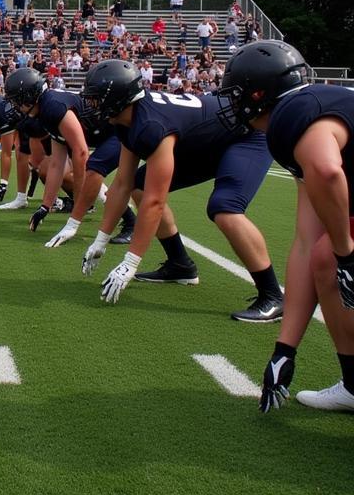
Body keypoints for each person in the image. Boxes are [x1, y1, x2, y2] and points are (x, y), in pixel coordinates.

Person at [79, 59, 283, 322]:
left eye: (97, 99)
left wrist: (131, 261)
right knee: (138, 187)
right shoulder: (127, 119)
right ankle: (180, 265)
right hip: (207, 142)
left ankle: (272, 295)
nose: (92, 105)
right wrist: (101, 238)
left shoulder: (151, 124)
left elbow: (155, 201)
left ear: (117, 98)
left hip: (245, 135)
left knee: (225, 208)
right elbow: (122, 183)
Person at [218, 41, 354, 412]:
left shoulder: (290, 114)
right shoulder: (312, 106)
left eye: (236, 92)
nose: (233, 102)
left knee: (332, 256)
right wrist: (284, 348)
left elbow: (327, 170)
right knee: (324, 258)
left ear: (258, 92)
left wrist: (347, 255)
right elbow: (307, 244)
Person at [3, 68, 135, 245]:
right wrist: (45, 206)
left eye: (16, 100)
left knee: (93, 171)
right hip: (104, 134)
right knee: (71, 169)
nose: (15, 106)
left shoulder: (52, 106)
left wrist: (77, 213)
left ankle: (132, 224)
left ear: (28, 96)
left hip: (119, 132)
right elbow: (57, 164)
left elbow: (81, 152)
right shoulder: (45, 110)